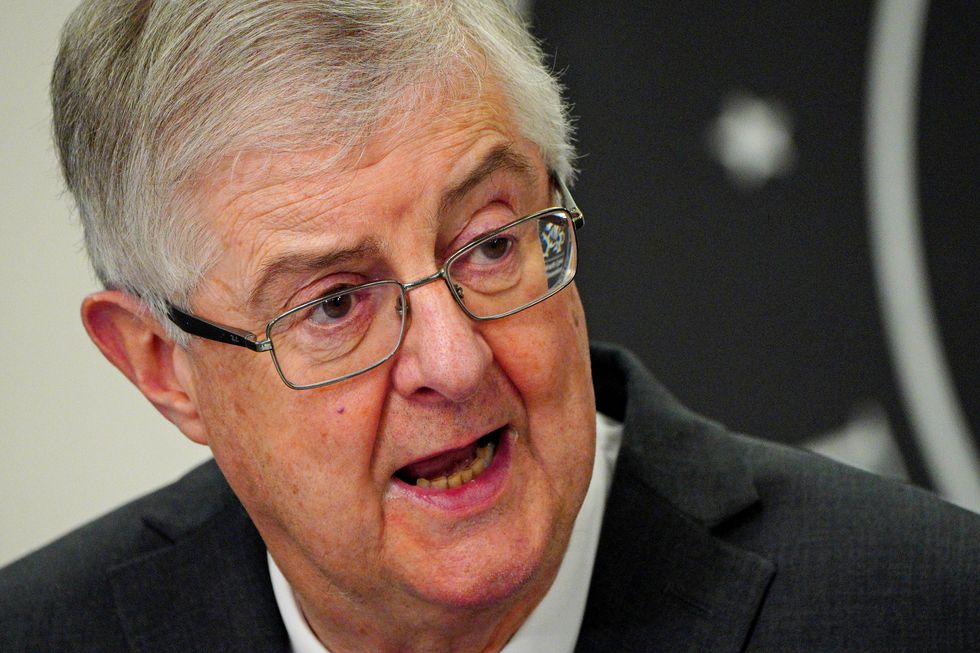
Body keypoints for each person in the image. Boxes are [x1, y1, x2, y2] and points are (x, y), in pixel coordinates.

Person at [1, 2, 977, 652]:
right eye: (335, 302)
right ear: (163, 365)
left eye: (488, 243)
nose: (453, 358)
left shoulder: (923, 608)